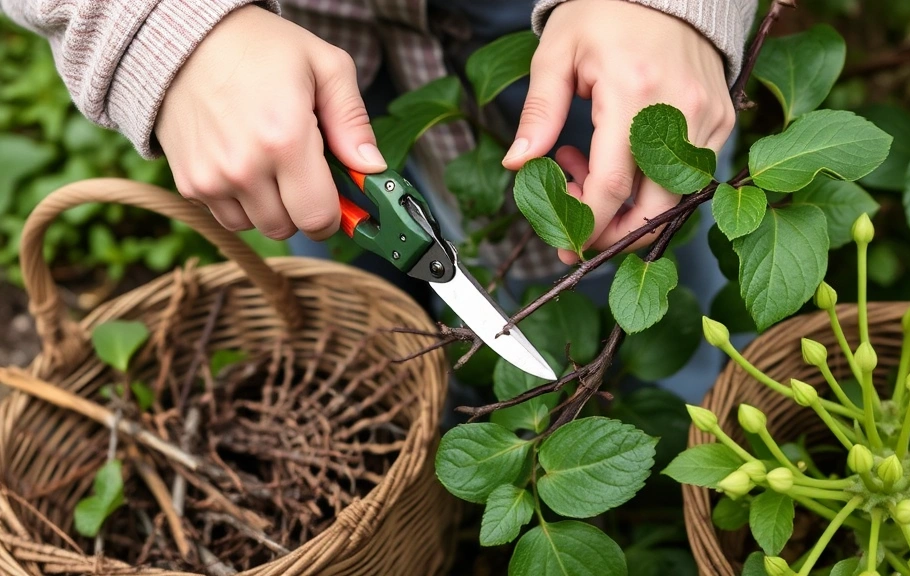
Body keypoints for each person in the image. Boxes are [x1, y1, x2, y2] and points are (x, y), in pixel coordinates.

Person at [1, 0, 756, 400]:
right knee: (350, 294)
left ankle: (698, 423)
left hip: (572, 28)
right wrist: (155, 23)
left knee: (649, 238)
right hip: (271, 48)